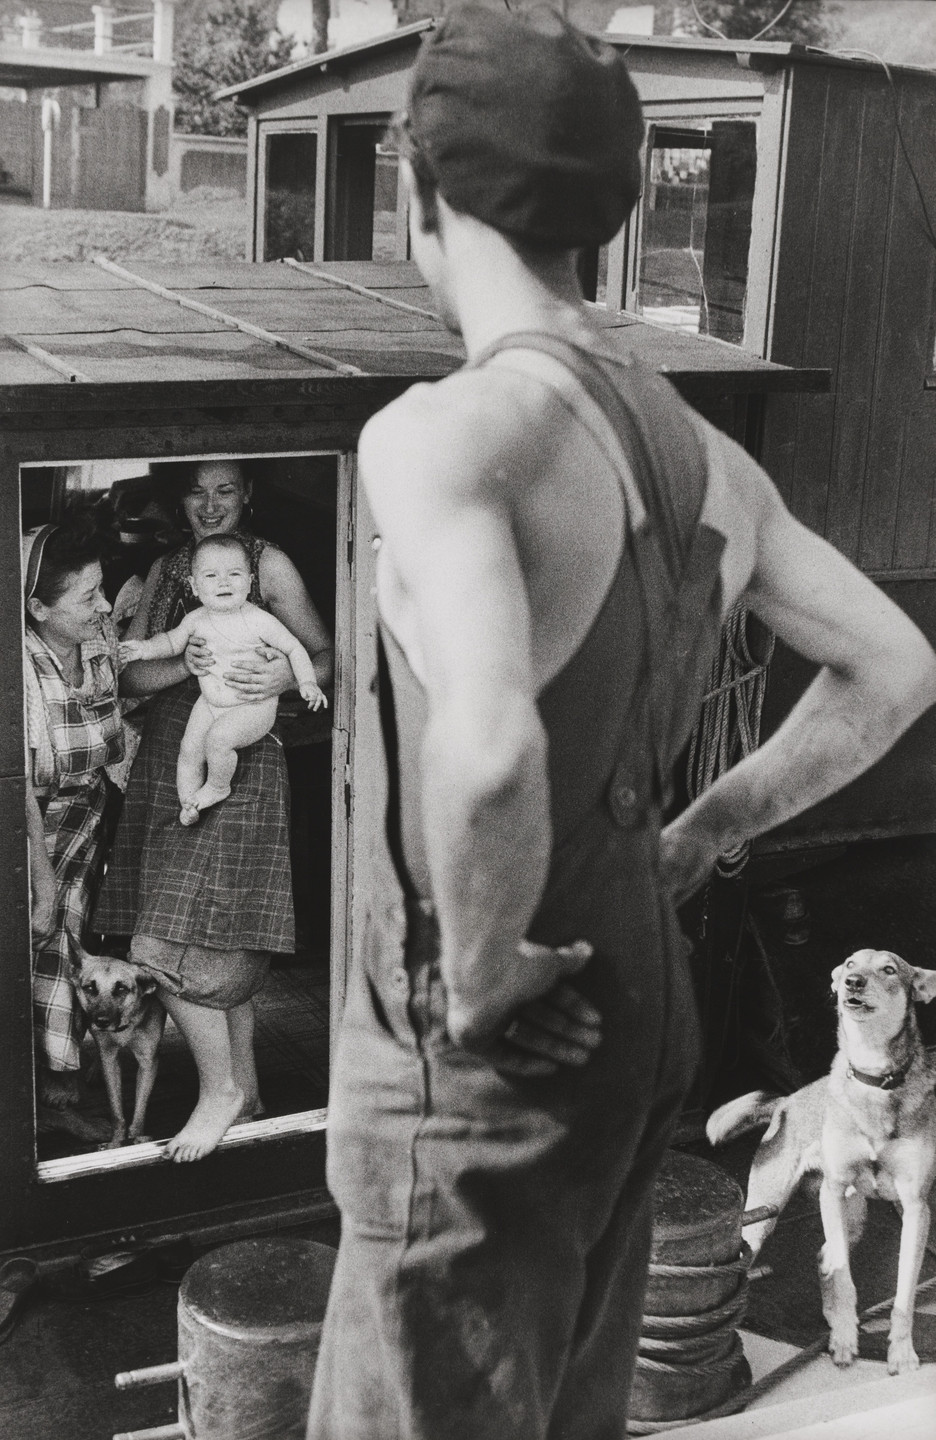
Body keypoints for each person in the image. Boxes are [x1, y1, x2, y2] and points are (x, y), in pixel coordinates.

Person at [306, 9, 936, 1440]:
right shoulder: (699, 454)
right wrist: (708, 828)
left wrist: (478, 974)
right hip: (639, 1010)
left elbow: (490, 751)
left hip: (492, 1055)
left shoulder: (442, 437)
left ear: (419, 189)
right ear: (609, 213)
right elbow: (894, 665)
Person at [94, 459, 334, 1163]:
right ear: (180, 502)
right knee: (191, 927)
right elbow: (131, 676)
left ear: (248, 494)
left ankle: (221, 1090)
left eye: (224, 489)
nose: (210, 504)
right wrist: (185, 661)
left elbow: (327, 653)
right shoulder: (168, 569)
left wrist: (285, 674)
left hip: (242, 757)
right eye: (197, 492)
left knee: (178, 935)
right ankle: (245, 1092)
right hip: (171, 761)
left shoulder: (269, 565)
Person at [23, 521, 123, 1144]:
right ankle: (37, 1110)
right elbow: (15, 788)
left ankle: (57, 1097)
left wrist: (194, 665)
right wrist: (40, 884)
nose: (105, 606)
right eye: (89, 597)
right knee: (35, 958)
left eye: (102, 589)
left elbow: (124, 688)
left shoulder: (95, 642)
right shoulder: (18, 668)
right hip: (33, 839)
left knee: (70, 962)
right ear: (39, 609)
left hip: (84, 832)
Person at [120, 534, 327, 825]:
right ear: (195, 586)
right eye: (211, 576)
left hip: (252, 705)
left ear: (250, 582)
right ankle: (188, 802)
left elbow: (294, 648)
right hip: (210, 702)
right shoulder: (196, 619)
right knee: (189, 749)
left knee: (218, 739)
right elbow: (170, 642)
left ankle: (218, 786)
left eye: (234, 574)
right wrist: (143, 649)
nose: (224, 583)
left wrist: (305, 681)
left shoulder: (258, 620)